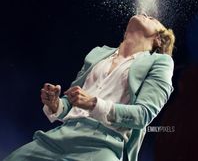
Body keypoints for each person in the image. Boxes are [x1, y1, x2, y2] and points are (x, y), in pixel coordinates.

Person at [3, 13, 175, 161]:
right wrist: (56, 104)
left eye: (152, 18)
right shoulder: (98, 53)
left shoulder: (161, 62)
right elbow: (71, 100)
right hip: (62, 134)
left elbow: (143, 115)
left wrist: (93, 103)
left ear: (158, 39)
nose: (146, 14)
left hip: (103, 144)